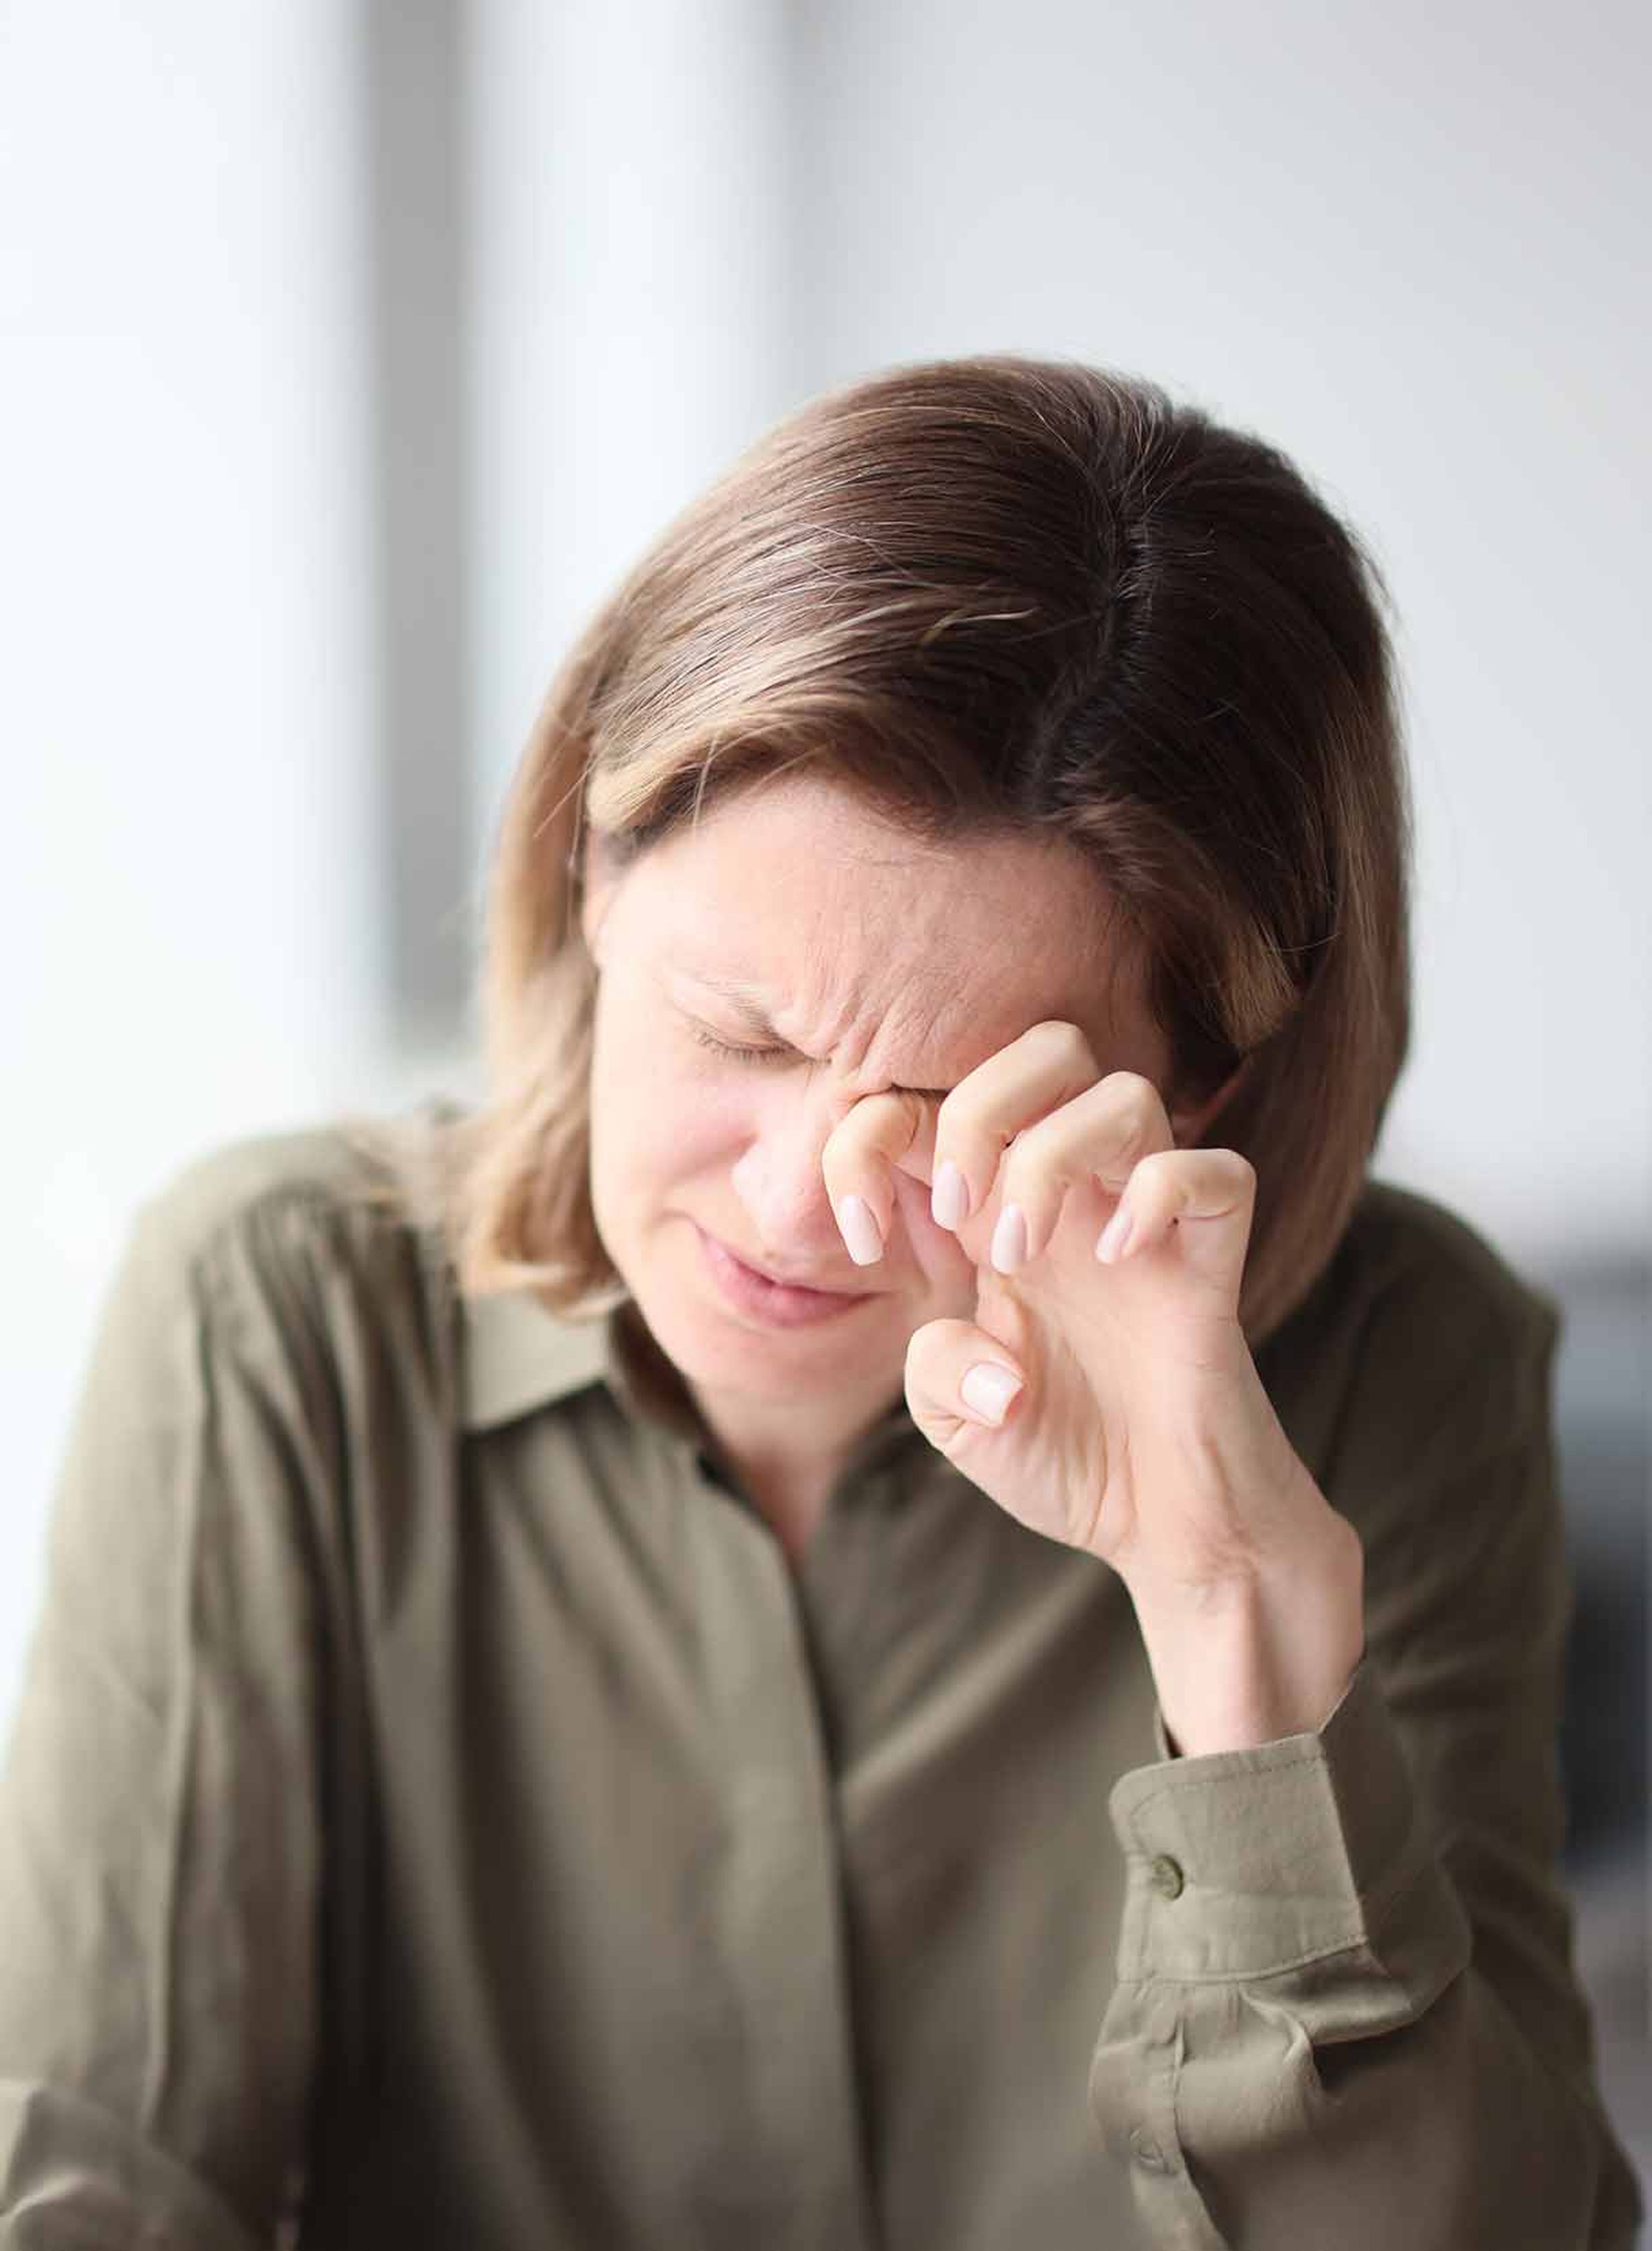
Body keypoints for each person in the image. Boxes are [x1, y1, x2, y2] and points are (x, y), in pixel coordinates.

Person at [0, 353, 1640, 2249]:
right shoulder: (273, 1316)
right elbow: (87, 2186)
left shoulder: (1395, 1364)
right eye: (740, 1032)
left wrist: (1234, 1627)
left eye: (949, 1106)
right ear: (591, 867)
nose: (798, 1204)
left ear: (1192, 1094)